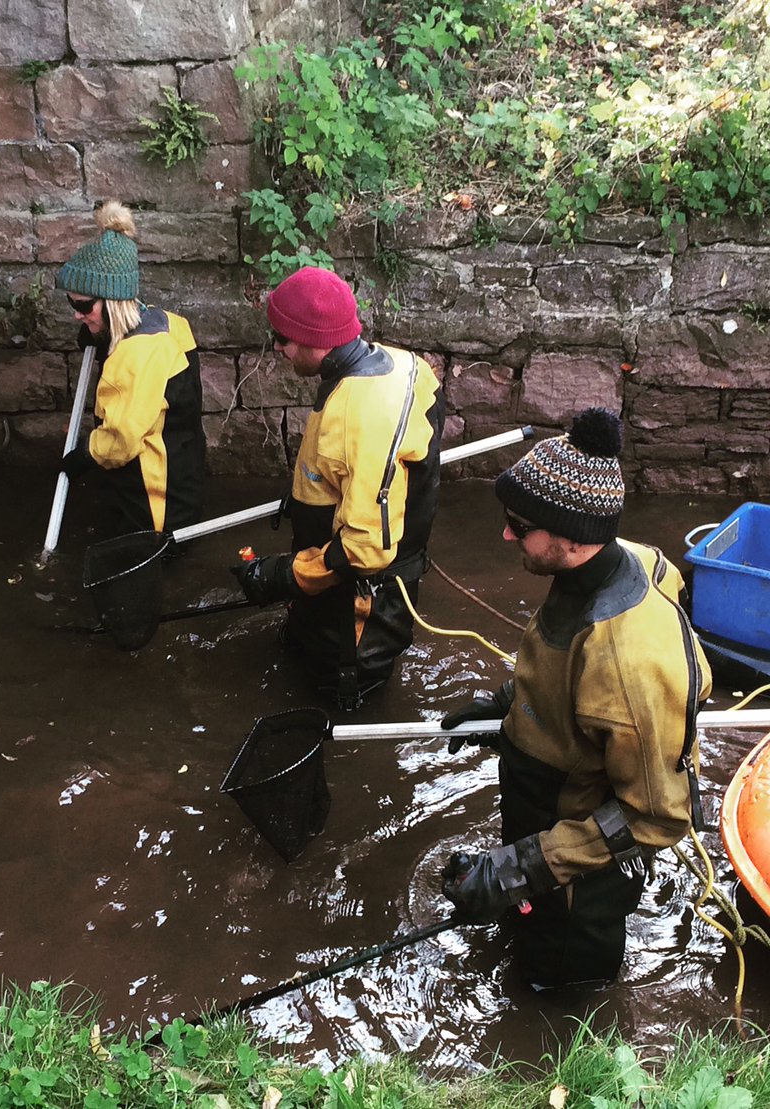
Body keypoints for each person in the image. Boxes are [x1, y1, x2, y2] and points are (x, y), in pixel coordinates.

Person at [439, 407, 712, 990]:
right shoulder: (627, 557)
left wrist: (517, 869)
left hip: (579, 882)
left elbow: (656, 815)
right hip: (543, 814)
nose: (506, 533)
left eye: (519, 523)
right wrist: (511, 703)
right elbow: (571, 678)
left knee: (556, 988)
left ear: (568, 538)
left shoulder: (627, 663)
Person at [231, 266, 445, 709]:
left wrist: (283, 575)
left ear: (315, 339)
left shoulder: (358, 414)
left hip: (360, 612)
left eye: (284, 339)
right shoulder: (406, 366)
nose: (278, 348)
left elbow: (365, 551)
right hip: (337, 589)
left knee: (336, 702)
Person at [56, 199, 206, 537]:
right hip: (183, 489)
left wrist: (84, 453)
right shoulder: (168, 323)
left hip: (154, 512)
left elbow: (121, 443)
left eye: (83, 306)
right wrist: (102, 332)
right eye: (72, 303)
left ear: (112, 302)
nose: (76, 314)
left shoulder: (134, 356)